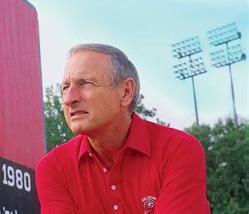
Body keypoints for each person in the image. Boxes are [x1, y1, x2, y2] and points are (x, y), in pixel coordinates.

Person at [35, 43, 210, 213]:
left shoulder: (178, 149)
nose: (68, 99)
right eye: (65, 88)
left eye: (86, 83)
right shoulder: (53, 168)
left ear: (126, 92)